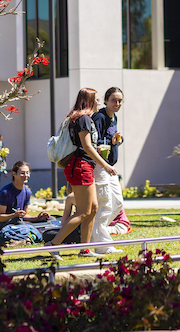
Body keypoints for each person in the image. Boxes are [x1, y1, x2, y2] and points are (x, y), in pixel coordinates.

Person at [46, 88, 116, 257]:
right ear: (89, 101)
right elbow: (86, 146)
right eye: (97, 99)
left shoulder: (81, 118)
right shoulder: (83, 119)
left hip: (83, 166)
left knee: (93, 208)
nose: (99, 103)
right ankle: (53, 244)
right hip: (80, 166)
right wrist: (105, 165)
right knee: (84, 211)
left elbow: (85, 145)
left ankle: (85, 249)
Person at [89, 87, 126, 253]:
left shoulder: (113, 117)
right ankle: (102, 245)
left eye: (119, 100)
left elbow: (108, 140)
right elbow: (92, 141)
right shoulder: (100, 116)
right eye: (113, 100)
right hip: (100, 165)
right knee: (104, 205)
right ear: (106, 101)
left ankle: (94, 235)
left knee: (117, 203)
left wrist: (117, 140)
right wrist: (105, 145)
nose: (117, 103)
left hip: (110, 166)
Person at [0, 160, 50, 235]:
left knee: (50, 219)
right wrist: (14, 215)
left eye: (27, 173)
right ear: (14, 174)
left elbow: (24, 215)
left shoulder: (27, 192)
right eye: (22, 173)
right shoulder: (5, 192)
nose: (26, 175)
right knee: (19, 221)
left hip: (19, 223)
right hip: (4, 225)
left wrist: (38, 218)